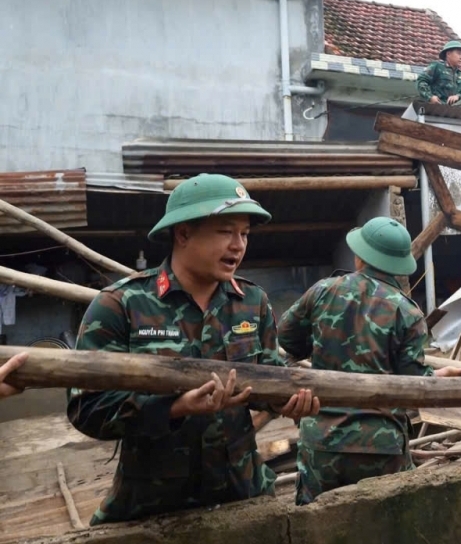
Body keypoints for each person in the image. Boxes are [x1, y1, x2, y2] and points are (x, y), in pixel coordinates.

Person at [67, 174, 320, 525]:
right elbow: (87, 408)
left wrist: (286, 400)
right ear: (183, 233)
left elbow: (267, 377)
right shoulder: (121, 305)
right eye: (225, 231)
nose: (238, 245)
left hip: (243, 499)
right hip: (153, 510)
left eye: (244, 233)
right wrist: (174, 407)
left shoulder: (252, 303)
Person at [278, 216, 461, 506]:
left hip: (323, 441)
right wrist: (439, 377)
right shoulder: (408, 312)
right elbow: (414, 386)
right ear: (399, 264)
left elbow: (287, 339)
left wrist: (321, 346)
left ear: (359, 257)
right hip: (382, 445)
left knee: (316, 526)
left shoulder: (322, 291)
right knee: (390, 527)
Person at [416, 40, 461, 108]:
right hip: (439, 105)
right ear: (448, 54)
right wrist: (430, 97)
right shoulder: (437, 66)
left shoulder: (459, 74)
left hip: (454, 107)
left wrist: (458, 96)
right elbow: (421, 81)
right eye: (458, 53)